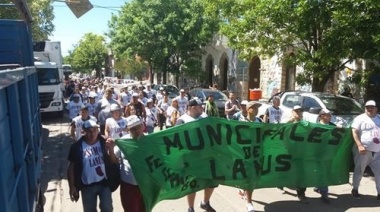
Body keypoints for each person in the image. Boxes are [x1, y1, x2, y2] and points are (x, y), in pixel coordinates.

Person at [175, 98, 216, 212]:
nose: (202, 108)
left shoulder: (205, 118)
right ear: (192, 108)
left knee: (211, 182)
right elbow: (177, 141)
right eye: (199, 106)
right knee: (192, 184)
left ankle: (205, 202)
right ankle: (191, 208)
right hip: (190, 159)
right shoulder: (182, 121)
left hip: (206, 157)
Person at [67, 120, 114, 212]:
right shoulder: (76, 147)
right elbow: (71, 168)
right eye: (88, 131)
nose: (92, 133)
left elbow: (113, 161)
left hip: (104, 184)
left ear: (98, 130)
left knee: (107, 208)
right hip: (87, 186)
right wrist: (72, 187)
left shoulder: (104, 142)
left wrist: (111, 150)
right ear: (83, 132)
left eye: (94, 130)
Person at [107, 115, 146, 212]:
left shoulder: (150, 140)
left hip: (146, 186)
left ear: (142, 126)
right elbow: (114, 160)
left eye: (137, 127)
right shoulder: (124, 141)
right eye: (132, 129)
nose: (136, 130)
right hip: (129, 186)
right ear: (128, 130)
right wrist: (111, 150)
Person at [351, 100, 380, 200]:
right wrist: (359, 145)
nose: (370, 109)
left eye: (372, 107)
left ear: (376, 108)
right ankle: (355, 189)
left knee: (379, 172)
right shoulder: (360, 118)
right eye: (367, 107)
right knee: (359, 171)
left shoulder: (379, 118)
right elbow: (354, 132)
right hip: (363, 151)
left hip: (377, 152)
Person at [237, 101, 262, 212]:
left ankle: (247, 196)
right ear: (248, 109)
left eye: (257, 108)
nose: (256, 110)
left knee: (251, 177)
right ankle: (249, 202)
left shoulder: (260, 121)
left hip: (256, 154)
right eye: (254, 107)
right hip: (244, 154)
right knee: (247, 177)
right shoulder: (240, 122)